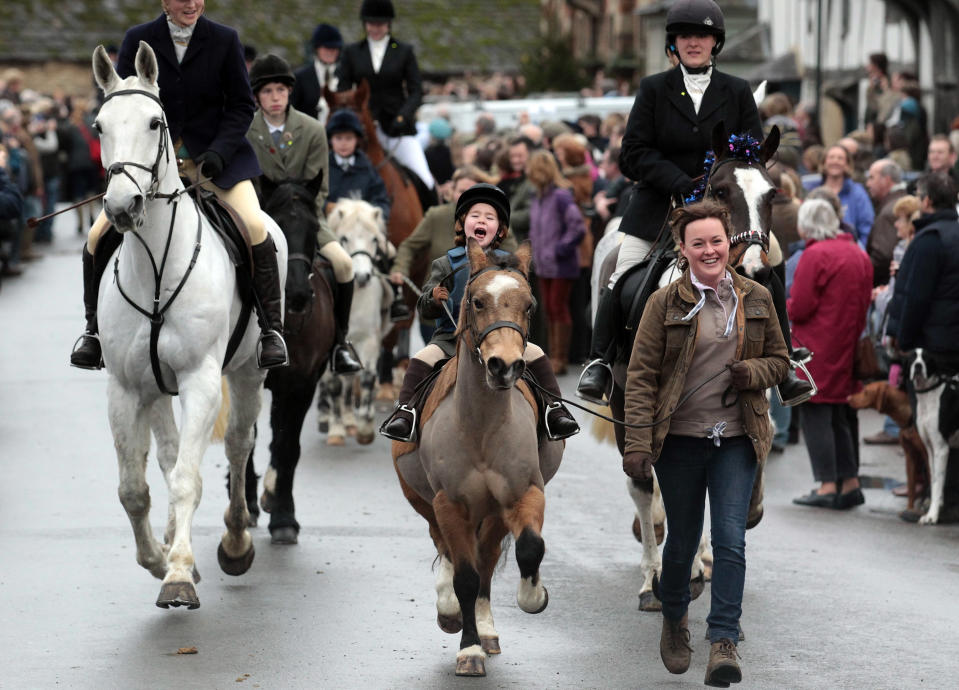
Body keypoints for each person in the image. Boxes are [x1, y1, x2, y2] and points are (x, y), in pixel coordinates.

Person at [622, 200, 788, 686]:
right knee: (680, 546)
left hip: (737, 438)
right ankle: (675, 617)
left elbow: (780, 359)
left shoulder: (756, 297)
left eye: (717, 240)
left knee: (731, 542)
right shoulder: (662, 303)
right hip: (679, 442)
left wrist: (752, 371)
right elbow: (640, 377)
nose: (710, 249)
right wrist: (636, 443)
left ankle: (723, 640)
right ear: (684, 249)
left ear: (730, 243)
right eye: (699, 243)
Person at [71, 0, 289, 371]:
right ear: (164, 2)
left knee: (255, 227)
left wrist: (220, 151)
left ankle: (270, 329)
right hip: (151, 166)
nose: (191, 3)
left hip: (218, 164)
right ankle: (93, 331)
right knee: (96, 236)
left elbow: (240, 106)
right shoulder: (138, 39)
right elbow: (123, 106)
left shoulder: (224, 39)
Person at [578, 0, 760, 403]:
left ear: (716, 42)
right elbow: (633, 153)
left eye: (703, 35)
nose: (694, 42)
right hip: (659, 206)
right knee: (621, 273)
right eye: (685, 36)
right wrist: (679, 181)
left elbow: (752, 153)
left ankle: (790, 362)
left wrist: (725, 181)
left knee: (767, 267)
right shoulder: (653, 89)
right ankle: (601, 362)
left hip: (726, 211)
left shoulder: (737, 90)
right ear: (674, 43)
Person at [379, 183, 579, 443]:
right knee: (422, 358)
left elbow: (530, 305)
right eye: (475, 215)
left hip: (503, 338)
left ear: (500, 229)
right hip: (451, 339)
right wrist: (434, 298)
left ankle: (554, 409)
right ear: (462, 224)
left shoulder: (509, 263)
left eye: (489, 217)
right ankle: (405, 413)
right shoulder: (444, 264)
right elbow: (424, 308)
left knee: (537, 354)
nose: (481, 220)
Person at [245, 54, 362, 374]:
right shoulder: (245, 130)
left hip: (307, 217)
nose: (275, 98)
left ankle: (340, 343)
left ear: (289, 93)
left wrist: (298, 210)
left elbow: (319, 187)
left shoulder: (312, 129)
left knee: (343, 263)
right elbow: (247, 184)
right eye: (268, 91)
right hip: (261, 216)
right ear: (257, 96)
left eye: (281, 90)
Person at [788, 199, 873, 510]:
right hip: (848, 343)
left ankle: (826, 486)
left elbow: (800, 306)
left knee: (816, 414)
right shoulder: (857, 253)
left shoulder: (815, 254)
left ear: (807, 224)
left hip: (817, 348)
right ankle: (849, 481)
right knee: (840, 415)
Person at [336, 0, 434, 191]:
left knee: (425, 179)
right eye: (371, 23)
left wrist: (403, 116)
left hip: (397, 127)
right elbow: (343, 88)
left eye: (380, 24)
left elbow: (416, 91)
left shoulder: (404, 51)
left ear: (388, 24)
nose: (375, 28)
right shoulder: (352, 52)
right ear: (365, 23)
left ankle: (431, 212)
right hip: (364, 128)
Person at [526, 149, 587, 375]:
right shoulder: (538, 197)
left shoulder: (560, 196)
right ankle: (553, 357)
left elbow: (577, 226)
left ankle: (560, 358)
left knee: (557, 308)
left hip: (560, 264)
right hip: (544, 264)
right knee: (550, 310)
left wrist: (560, 248)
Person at [802, 144, 874, 248]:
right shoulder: (813, 191)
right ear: (824, 162)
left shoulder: (857, 192)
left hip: (849, 250)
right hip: (817, 249)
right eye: (831, 157)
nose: (835, 161)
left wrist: (859, 250)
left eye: (840, 158)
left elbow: (866, 226)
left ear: (847, 164)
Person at [864, 159, 907, 287]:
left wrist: (861, 274)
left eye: (872, 177)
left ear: (886, 180)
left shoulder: (890, 212)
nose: (868, 183)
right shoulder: (901, 202)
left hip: (885, 286)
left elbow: (882, 257)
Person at [292, 23, 343, 122]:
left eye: (334, 48)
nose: (330, 52)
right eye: (326, 48)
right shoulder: (300, 77)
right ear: (317, 48)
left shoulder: (345, 75)